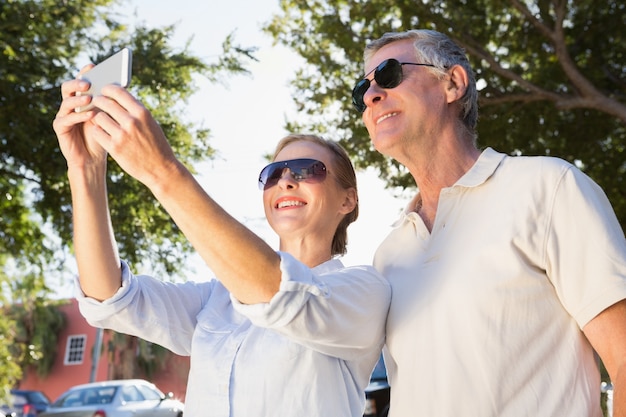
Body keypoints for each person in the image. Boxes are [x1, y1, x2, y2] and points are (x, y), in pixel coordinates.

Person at [52, 70, 391, 417]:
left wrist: (162, 170)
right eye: (274, 174)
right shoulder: (215, 300)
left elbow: (279, 294)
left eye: (307, 169)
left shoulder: (364, 292)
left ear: (347, 200)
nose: (286, 181)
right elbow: (110, 299)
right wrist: (84, 167)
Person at [352, 29, 626, 416]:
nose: (370, 95)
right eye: (360, 90)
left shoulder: (548, 188)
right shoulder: (389, 255)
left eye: (389, 75)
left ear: (453, 83)